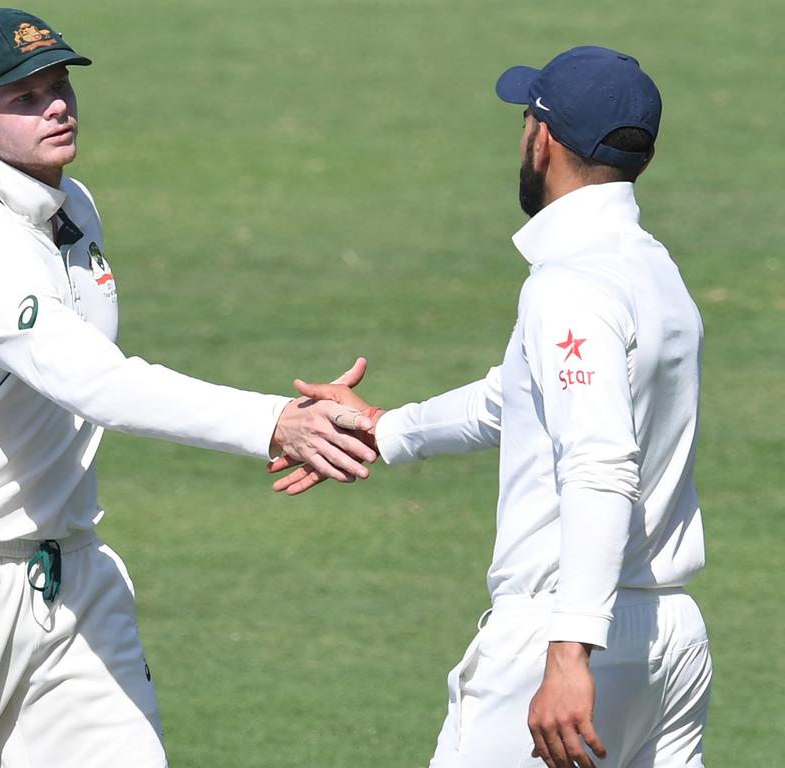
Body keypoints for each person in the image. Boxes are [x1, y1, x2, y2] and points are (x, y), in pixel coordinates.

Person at [0, 8, 378, 768]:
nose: (56, 105)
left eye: (59, 85)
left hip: (71, 577)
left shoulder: (74, 210)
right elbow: (97, 384)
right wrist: (273, 421)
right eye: (25, 97)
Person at [271, 46, 712, 768]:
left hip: (566, 637)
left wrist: (568, 655)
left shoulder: (571, 285)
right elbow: (517, 397)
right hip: (671, 644)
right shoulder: (654, 269)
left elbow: (600, 466)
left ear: (543, 139)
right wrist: (387, 429)